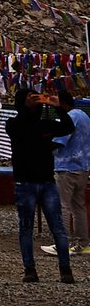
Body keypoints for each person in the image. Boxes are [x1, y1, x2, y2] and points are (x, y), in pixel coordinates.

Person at [5, 84, 75, 283]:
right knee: (29, 228)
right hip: (27, 182)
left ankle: (65, 270)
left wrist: (56, 106)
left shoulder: (45, 124)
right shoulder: (14, 124)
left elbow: (69, 127)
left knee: (56, 228)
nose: (34, 99)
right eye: (29, 96)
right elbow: (24, 127)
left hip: (43, 181)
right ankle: (30, 269)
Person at [53, 85, 90, 256]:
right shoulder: (84, 116)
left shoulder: (69, 118)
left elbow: (60, 140)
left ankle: (61, 242)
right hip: (82, 166)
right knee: (79, 207)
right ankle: (83, 242)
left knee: (63, 205)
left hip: (66, 166)